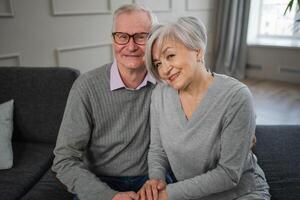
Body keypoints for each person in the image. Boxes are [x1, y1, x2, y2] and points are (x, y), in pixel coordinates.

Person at [139, 16, 270, 200]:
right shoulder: (159, 95)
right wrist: (156, 182)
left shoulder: (237, 96)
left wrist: (167, 195)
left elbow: (228, 174)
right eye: (158, 63)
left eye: (170, 56)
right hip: (189, 195)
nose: (164, 69)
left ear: (198, 52)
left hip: (241, 194)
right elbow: (157, 151)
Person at [52, 4, 157, 200]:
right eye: (122, 36)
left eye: (141, 36)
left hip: (152, 181)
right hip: (99, 183)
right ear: (113, 40)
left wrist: (158, 180)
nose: (131, 46)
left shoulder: (166, 83)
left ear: (153, 40)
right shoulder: (86, 86)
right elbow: (64, 160)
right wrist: (110, 196)